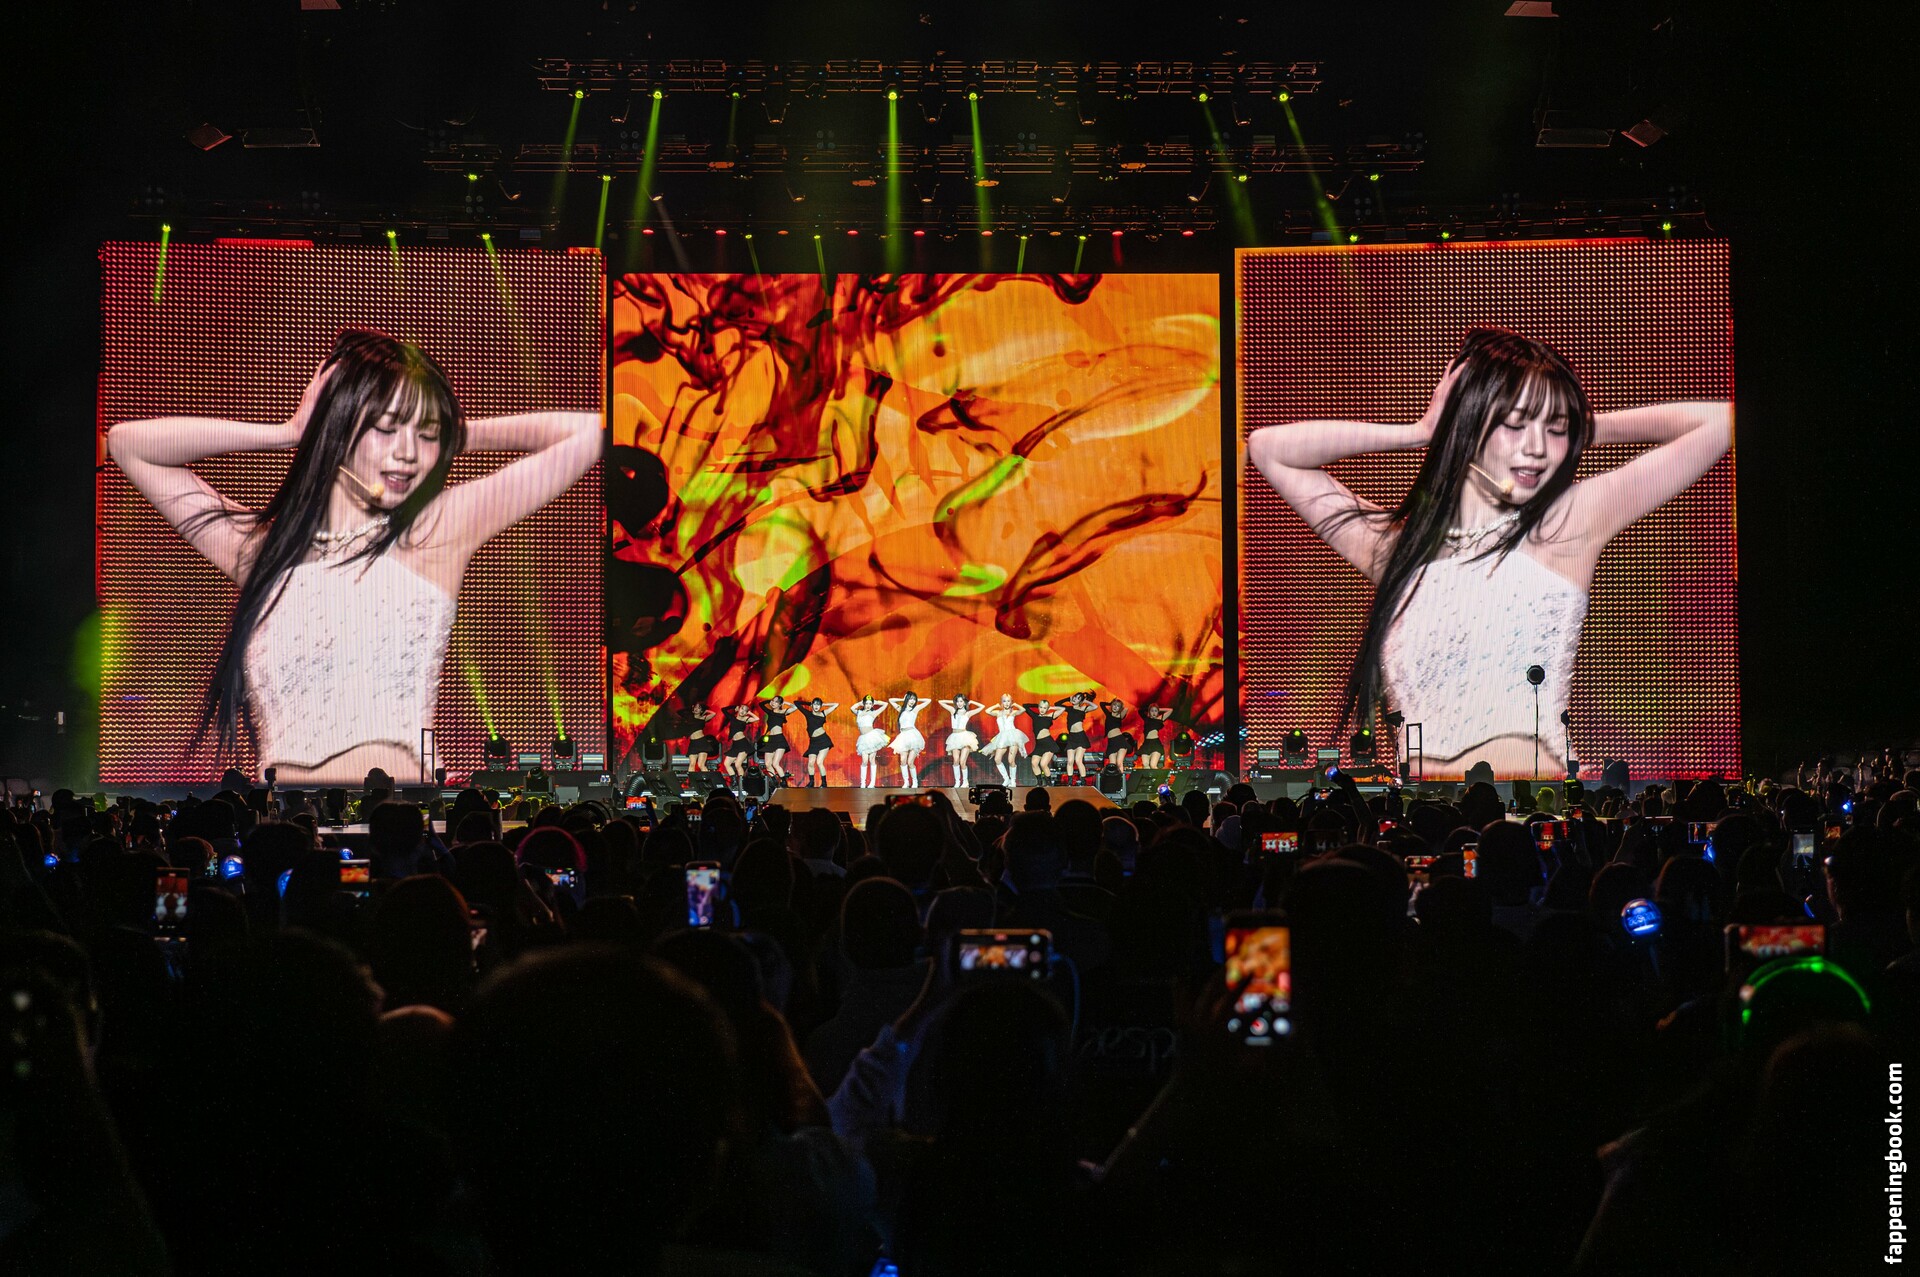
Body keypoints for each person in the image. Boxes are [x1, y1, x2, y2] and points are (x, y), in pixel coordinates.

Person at [107, 328, 600, 783]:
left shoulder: (436, 531)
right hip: (290, 830)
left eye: (426, 436)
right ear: (339, 426)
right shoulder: (261, 551)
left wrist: (450, 430)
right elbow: (129, 444)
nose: (409, 453)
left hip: (402, 824)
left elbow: (593, 432)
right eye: (386, 428)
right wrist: (290, 432)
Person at [1248, 325, 1730, 776]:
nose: (1538, 448)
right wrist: (1420, 432)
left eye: (1555, 429)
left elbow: (1722, 421)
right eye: (1516, 425)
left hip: (1532, 809)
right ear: (1469, 421)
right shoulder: (1396, 547)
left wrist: (1583, 426)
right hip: (1423, 813)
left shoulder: (1567, 524)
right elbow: (1269, 448)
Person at [986, 694, 1031, 788]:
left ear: (1011, 702)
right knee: (997, 759)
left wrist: (1015, 704)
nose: (1006, 703)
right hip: (1002, 737)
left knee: (1011, 760)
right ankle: (1006, 779)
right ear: (1002, 702)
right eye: (1004, 701)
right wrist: (996, 705)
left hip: (1013, 736)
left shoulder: (1013, 712)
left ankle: (1013, 780)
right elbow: (987, 711)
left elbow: (1023, 710)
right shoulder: (998, 713)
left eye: (1008, 701)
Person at [943, 694, 987, 789]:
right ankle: (957, 781)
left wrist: (971, 702)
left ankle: (965, 781)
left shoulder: (968, 713)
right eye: (957, 701)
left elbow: (982, 707)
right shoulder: (953, 711)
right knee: (956, 760)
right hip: (954, 738)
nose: (959, 703)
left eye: (961, 701)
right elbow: (941, 702)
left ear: (964, 702)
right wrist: (953, 702)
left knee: (962, 761)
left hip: (965, 737)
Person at [797, 696, 840, 788]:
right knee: (810, 762)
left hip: (823, 740)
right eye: (815, 704)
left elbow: (836, 705)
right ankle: (811, 782)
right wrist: (809, 703)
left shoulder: (823, 713)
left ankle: (824, 783)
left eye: (818, 705)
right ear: (812, 705)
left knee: (819, 762)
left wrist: (824, 704)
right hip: (813, 742)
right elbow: (797, 703)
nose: (816, 706)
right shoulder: (808, 714)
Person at [889, 692, 928, 789]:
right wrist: (903, 699)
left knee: (910, 762)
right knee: (903, 760)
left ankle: (915, 781)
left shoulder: (915, 709)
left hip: (913, 736)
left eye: (914, 699)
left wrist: (917, 700)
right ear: (907, 699)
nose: (912, 701)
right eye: (910, 699)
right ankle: (906, 782)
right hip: (903, 736)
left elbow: (928, 701)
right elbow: (891, 700)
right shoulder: (901, 709)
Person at [759, 695, 797, 787]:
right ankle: (774, 781)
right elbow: (761, 704)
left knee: (775, 763)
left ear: (780, 704)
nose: (773, 703)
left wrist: (785, 703)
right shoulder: (770, 712)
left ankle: (783, 781)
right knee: (768, 764)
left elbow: (795, 707)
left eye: (776, 702)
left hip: (779, 739)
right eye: (773, 701)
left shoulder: (783, 712)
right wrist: (770, 700)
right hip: (770, 740)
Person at [1059, 693, 1097, 785]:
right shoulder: (1069, 709)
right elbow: (1057, 704)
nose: (1075, 699)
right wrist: (1068, 698)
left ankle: (1083, 781)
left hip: (1080, 737)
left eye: (1078, 698)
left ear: (1081, 700)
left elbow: (1095, 706)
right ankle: (1070, 781)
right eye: (1075, 697)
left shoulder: (1083, 708)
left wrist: (1085, 701)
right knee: (1070, 761)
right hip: (1072, 737)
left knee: (1078, 760)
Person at [853, 695, 889, 789]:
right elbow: (852, 708)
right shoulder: (859, 712)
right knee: (864, 761)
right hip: (863, 739)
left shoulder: (873, 713)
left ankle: (872, 783)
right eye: (867, 703)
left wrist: (876, 702)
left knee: (872, 759)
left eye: (870, 704)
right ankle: (863, 783)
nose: (868, 705)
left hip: (872, 737)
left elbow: (885, 704)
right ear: (864, 704)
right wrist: (860, 703)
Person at [1027, 699, 1065, 783]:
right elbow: (1025, 706)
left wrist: (1051, 708)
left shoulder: (1050, 716)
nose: (1042, 709)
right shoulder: (1035, 716)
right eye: (1041, 707)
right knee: (1034, 763)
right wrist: (1036, 705)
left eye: (1045, 708)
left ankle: (1048, 783)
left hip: (1048, 743)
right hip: (1039, 745)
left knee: (1043, 764)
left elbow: (1062, 709)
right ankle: (1039, 782)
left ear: (1047, 709)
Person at [722, 705, 759, 783]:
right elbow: (723, 709)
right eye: (742, 709)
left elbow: (757, 718)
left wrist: (749, 713)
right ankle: (734, 781)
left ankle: (742, 783)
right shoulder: (732, 718)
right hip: (735, 745)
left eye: (745, 710)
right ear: (738, 709)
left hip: (743, 744)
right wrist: (733, 707)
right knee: (726, 763)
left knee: (738, 764)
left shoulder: (745, 719)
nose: (743, 711)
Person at [685, 704, 720, 774]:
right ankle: (692, 780)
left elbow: (714, 714)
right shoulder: (689, 718)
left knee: (701, 764)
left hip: (701, 742)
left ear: (701, 710)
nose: (696, 709)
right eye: (695, 707)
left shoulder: (703, 718)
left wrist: (706, 711)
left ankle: (707, 780)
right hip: (693, 743)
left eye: (699, 708)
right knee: (692, 764)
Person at [1138, 705, 1175, 770]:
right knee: (1145, 765)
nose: (1154, 712)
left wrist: (1159, 709)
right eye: (1152, 711)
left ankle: (1159, 776)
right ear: (1149, 712)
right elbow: (1140, 711)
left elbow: (1170, 710)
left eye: (1155, 711)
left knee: (1153, 765)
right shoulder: (1146, 718)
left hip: (1155, 743)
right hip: (1146, 744)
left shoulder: (1160, 718)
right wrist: (1150, 708)